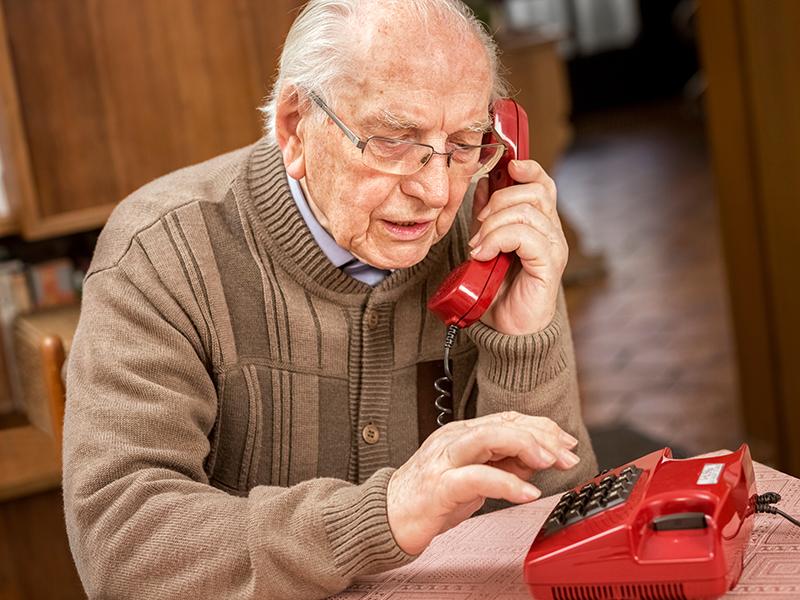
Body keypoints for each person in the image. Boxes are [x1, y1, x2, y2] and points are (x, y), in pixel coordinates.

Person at [62, 1, 598, 598]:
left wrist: (522, 341)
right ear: (294, 125)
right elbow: (124, 546)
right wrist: (382, 514)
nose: (436, 189)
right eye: (394, 140)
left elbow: (571, 533)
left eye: (466, 142)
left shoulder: (490, 234)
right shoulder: (160, 251)